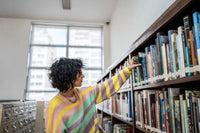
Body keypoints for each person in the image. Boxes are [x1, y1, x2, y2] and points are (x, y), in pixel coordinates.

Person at [45, 57, 141, 133]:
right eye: (79, 73)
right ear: (69, 77)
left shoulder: (85, 93)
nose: (83, 76)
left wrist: (127, 70)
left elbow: (108, 85)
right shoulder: (54, 107)